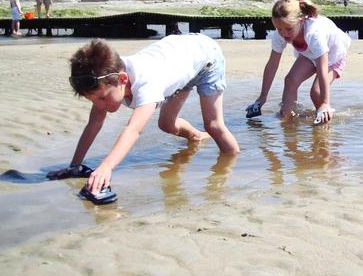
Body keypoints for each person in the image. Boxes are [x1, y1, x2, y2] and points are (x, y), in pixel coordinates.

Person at [48, 33, 240, 195]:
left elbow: (133, 130)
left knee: (213, 125)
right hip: (179, 61)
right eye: (93, 101)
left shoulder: (147, 84)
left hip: (206, 58)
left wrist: (106, 167)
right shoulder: (108, 77)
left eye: (103, 98)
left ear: (122, 79)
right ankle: (196, 137)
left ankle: (233, 163)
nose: (100, 105)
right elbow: (93, 125)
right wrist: (74, 166)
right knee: (166, 124)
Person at [247, 0, 351, 124]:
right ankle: (289, 124)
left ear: (301, 21)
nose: (284, 34)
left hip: (333, 54)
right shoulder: (280, 34)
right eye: (279, 29)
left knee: (316, 92)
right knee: (290, 80)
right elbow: (272, 65)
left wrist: (325, 103)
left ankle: (324, 124)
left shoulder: (314, 34)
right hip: (310, 54)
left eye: (289, 29)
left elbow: (322, 70)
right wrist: (262, 98)